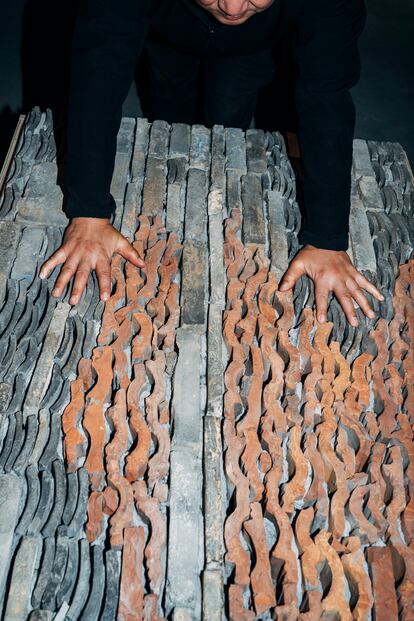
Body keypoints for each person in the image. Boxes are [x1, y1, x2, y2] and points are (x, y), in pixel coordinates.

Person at [39, 0, 385, 326]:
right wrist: (88, 212)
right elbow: (99, 72)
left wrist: (327, 239)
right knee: (169, 106)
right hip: (169, 21)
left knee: (229, 107)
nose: (232, 7)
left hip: (257, 42)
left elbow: (326, 100)